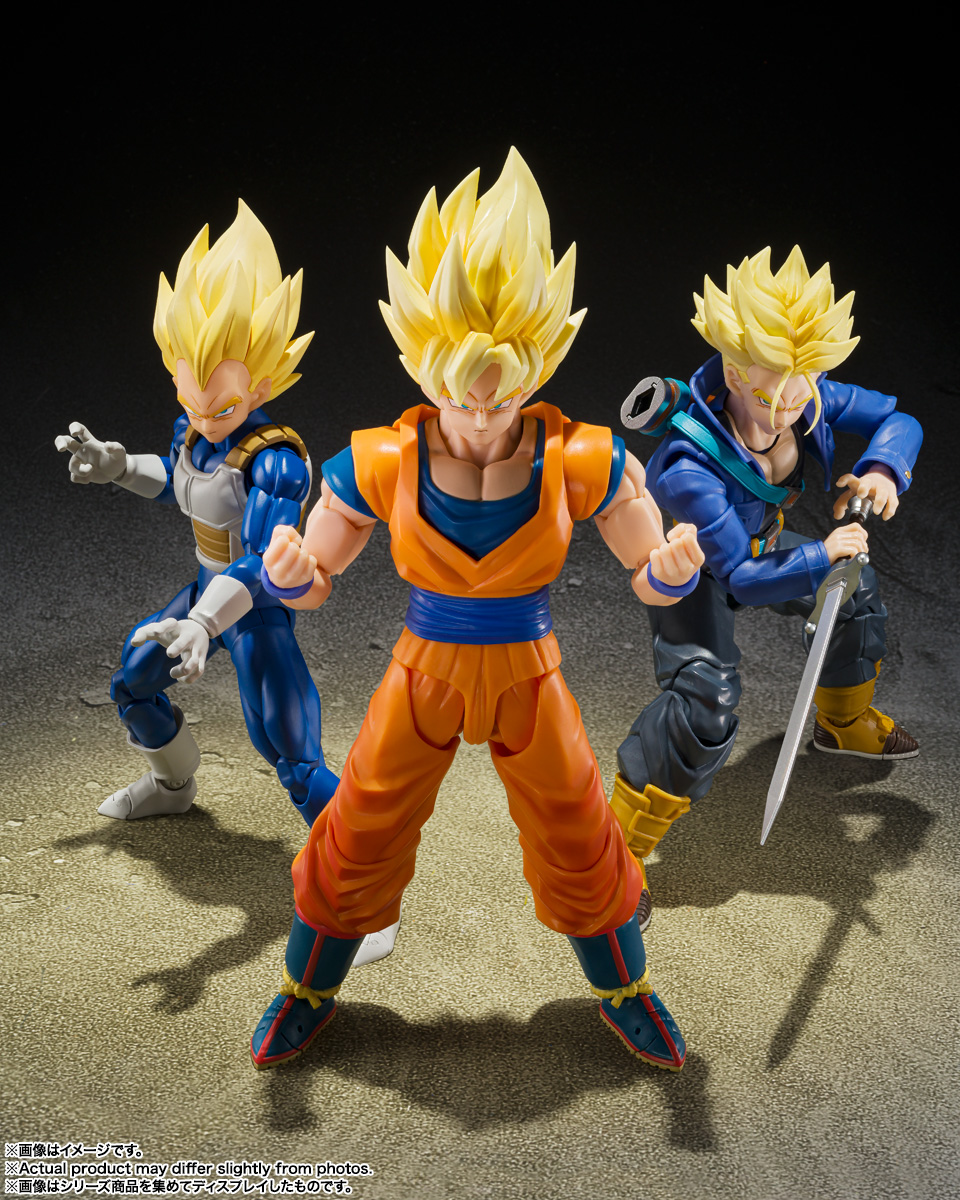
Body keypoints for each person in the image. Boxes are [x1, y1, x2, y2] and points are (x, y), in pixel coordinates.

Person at [250, 149, 703, 1073]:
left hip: (528, 667)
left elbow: (647, 575)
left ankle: (626, 989)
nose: (484, 403)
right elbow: (316, 580)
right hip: (425, 664)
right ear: (420, 355)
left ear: (543, 355)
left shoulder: (583, 456)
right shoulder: (379, 459)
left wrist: (672, 571)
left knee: (576, 824)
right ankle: (306, 987)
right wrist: (290, 573)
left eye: (507, 377)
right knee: (363, 822)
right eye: (461, 379)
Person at [610, 246, 922, 896]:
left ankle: (843, 723)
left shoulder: (805, 390)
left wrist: (882, 470)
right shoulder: (688, 466)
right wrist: (822, 553)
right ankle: (614, 857)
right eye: (769, 391)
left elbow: (900, 417)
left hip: (767, 544)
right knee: (705, 703)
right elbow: (742, 579)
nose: (788, 407)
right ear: (732, 368)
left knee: (854, 592)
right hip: (698, 574)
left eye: (800, 388)